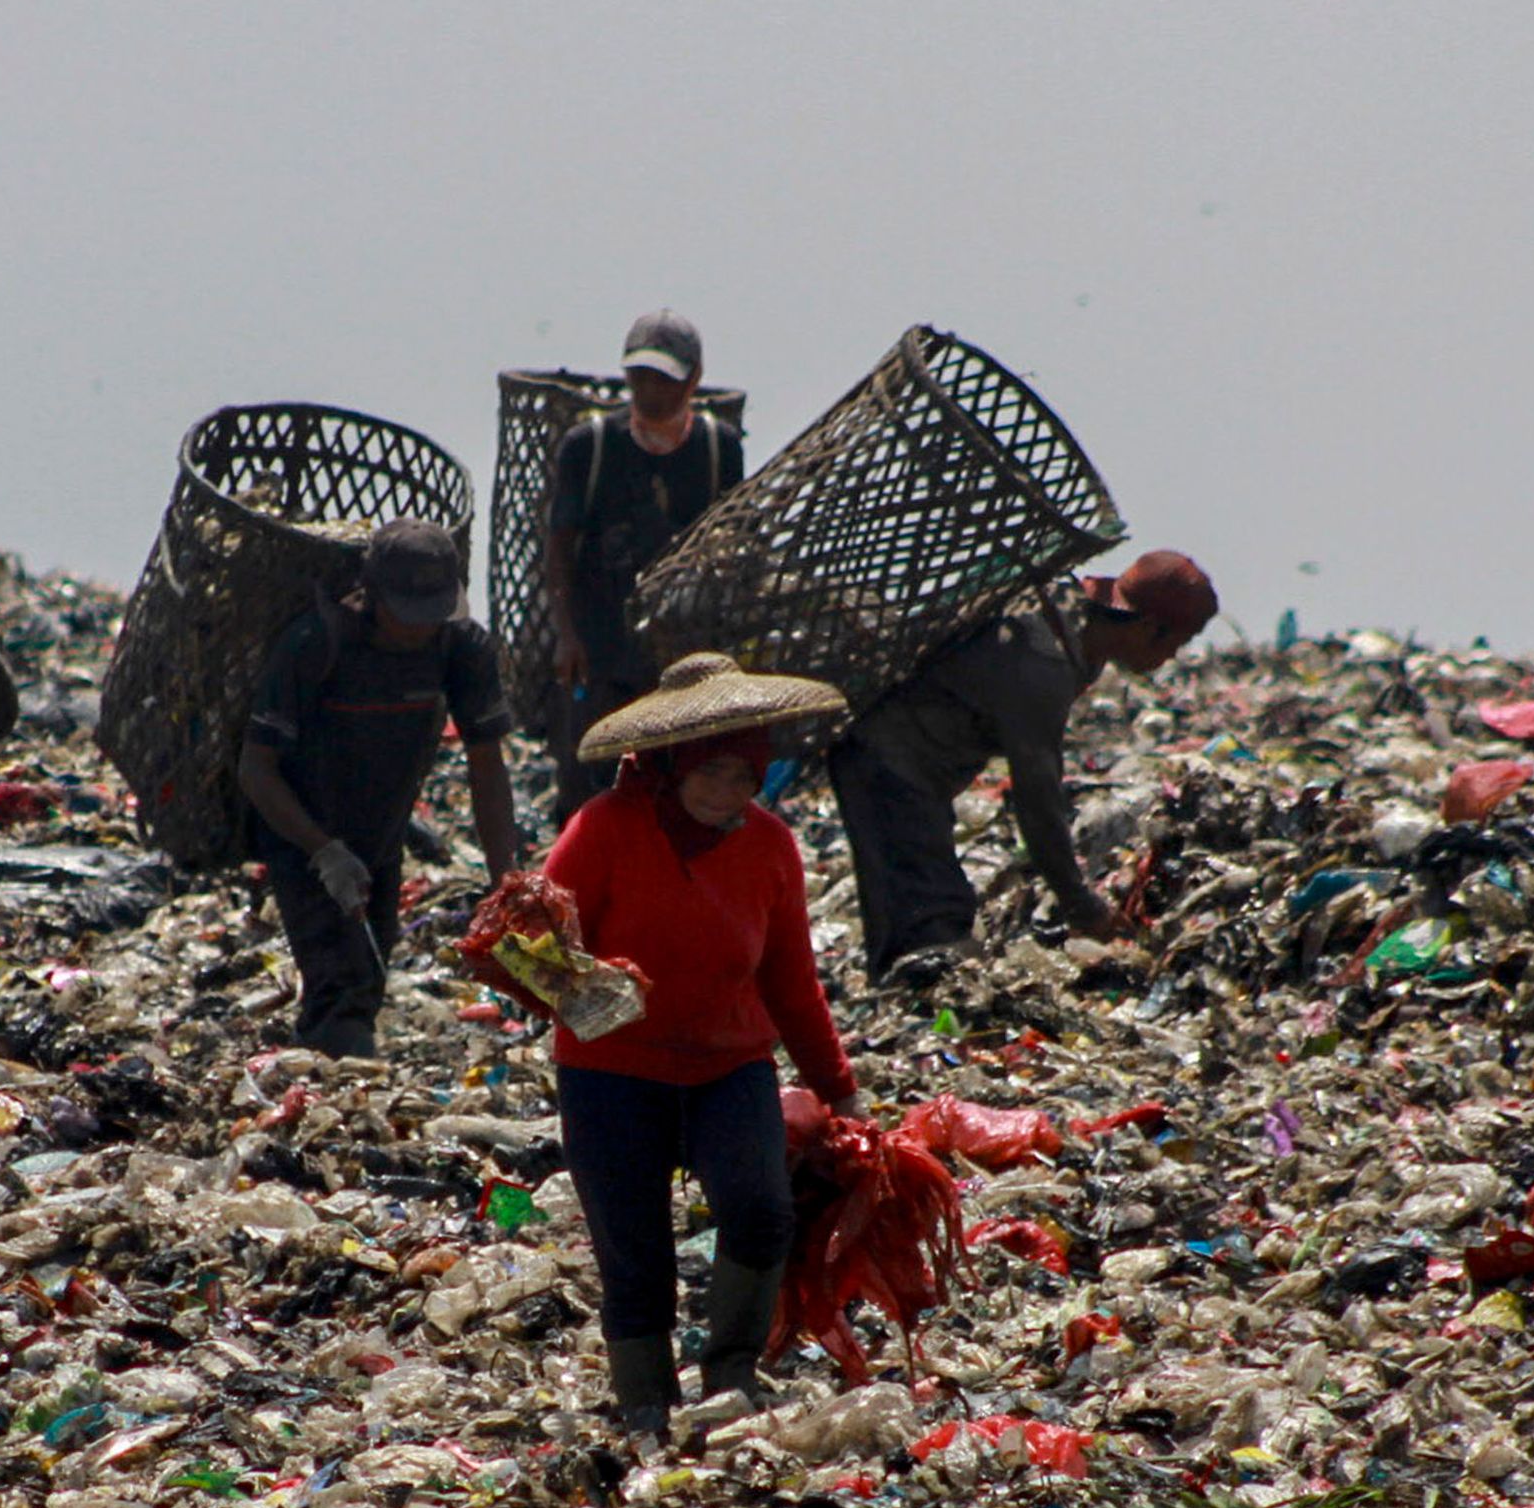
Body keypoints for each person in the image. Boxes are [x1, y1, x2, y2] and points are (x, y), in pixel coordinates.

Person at [549, 651, 860, 1436]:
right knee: (634, 1249)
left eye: (745, 779)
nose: (727, 795)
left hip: (730, 1066)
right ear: (675, 764)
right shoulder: (604, 829)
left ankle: (731, 1374)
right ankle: (646, 1404)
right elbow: (534, 943)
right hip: (611, 1072)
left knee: (759, 1210)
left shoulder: (769, 846)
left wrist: (836, 1085)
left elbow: (792, 980)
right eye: (711, 775)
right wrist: (587, 983)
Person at [826, 551, 1217, 982]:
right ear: (1147, 628)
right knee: (930, 921)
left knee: (913, 908)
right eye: (1175, 644)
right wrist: (1081, 905)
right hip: (887, 762)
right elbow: (1037, 796)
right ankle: (906, 1017)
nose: (1171, 658)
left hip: (914, 769)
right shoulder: (1042, 660)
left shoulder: (1069, 620)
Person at [235, 520, 524, 1059]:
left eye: (432, 613)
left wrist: (504, 878)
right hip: (301, 831)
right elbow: (255, 768)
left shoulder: (460, 647)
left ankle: (320, 1072)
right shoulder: (316, 643)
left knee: (366, 981)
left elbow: (487, 765)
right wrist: (324, 852)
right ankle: (336, 1094)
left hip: (382, 833)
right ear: (370, 593)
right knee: (341, 991)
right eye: (405, 614)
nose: (419, 629)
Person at [541, 308, 747, 821]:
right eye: (641, 376)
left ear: (693, 380)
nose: (651, 390)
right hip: (599, 645)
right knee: (588, 786)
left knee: (674, 783)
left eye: (664, 378)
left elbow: (730, 541)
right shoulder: (589, 447)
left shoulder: (718, 449)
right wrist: (567, 635)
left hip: (679, 650)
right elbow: (559, 546)